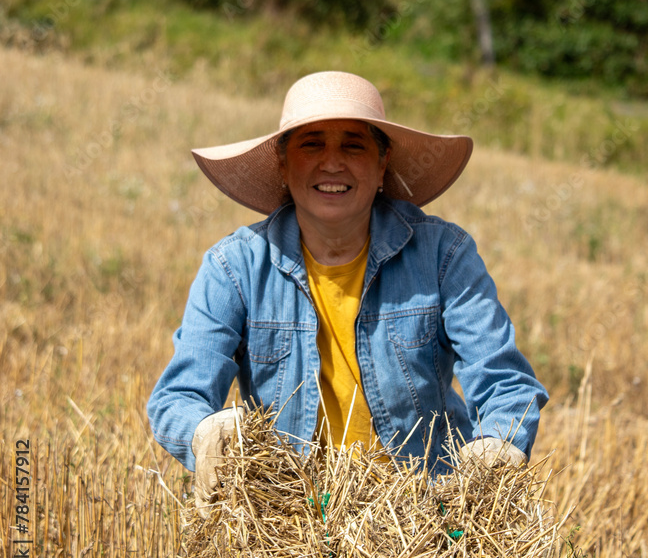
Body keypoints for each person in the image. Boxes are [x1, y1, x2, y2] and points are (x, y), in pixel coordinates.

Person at [147, 71, 548, 515]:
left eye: (354, 145)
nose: (332, 163)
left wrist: (496, 446)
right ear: (283, 164)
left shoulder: (443, 256)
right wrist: (205, 434)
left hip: (418, 525)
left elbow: (506, 382)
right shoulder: (234, 267)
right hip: (287, 530)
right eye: (311, 144)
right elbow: (178, 397)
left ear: (382, 165)